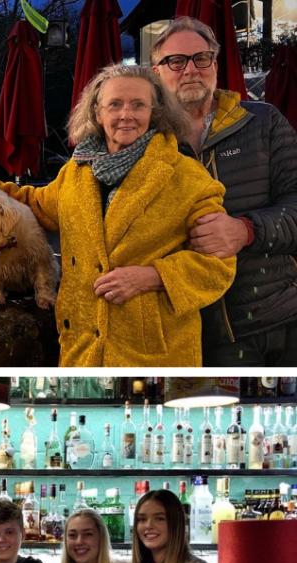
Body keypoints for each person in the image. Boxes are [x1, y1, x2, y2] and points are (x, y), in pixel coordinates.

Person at [0, 64, 236, 367]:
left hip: (153, 353)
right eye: (114, 104)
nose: (125, 115)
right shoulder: (76, 171)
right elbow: (37, 206)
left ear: (155, 112)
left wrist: (153, 276)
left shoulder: (187, 177)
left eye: (138, 105)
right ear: (97, 112)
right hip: (81, 344)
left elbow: (217, 266)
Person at [150, 17, 297, 366]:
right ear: (156, 73)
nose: (190, 69)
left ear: (215, 65)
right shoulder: (145, 144)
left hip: (285, 316)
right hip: (198, 333)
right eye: (176, 61)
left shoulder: (264, 122)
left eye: (201, 58)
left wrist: (245, 230)